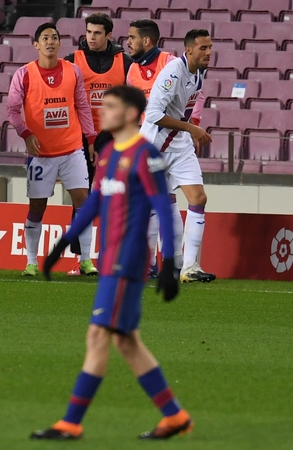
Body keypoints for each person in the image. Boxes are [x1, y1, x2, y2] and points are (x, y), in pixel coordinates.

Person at [31, 85, 190, 441]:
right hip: (111, 259)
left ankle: (71, 422)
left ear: (132, 114)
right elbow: (94, 203)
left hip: (128, 260)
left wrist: (170, 264)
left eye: (112, 106)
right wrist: (64, 243)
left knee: (98, 335)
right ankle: (175, 415)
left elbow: (164, 208)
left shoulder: (145, 155)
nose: (103, 110)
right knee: (126, 342)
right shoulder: (108, 154)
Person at [6, 22, 98, 277]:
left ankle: (86, 260)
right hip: (41, 155)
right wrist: (25, 134)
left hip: (72, 150)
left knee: (83, 202)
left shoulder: (73, 71)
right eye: (45, 37)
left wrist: (90, 139)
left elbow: (82, 105)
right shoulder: (24, 74)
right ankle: (32, 262)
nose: (50, 41)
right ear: (36, 44)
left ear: (59, 44)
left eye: (54, 38)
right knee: (37, 208)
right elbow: (13, 111)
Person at [141, 29, 215, 283]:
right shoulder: (172, 73)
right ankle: (168, 264)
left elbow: (187, 106)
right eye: (203, 48)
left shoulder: (201, 72)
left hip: (179, 144)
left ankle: (189, 267)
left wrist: (190, 129)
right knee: (164, 203)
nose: (208, 52)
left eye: (210, 47)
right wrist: (191, 127)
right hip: (156, 145)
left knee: (198, 197)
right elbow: (152, 114)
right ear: (189, 50)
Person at [62, 12, 133, 275]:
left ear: (109, 35)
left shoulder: (124, 61)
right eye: (89, 32)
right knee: (82, 197)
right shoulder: (73, 61)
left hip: (112, 137)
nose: (91, 37)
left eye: (97, 33)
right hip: (82, 137)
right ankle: (83, 260)